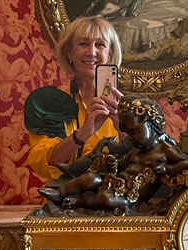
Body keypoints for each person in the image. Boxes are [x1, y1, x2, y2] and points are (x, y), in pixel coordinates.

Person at [25, 16, 123, 180]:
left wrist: (123, 126)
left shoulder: (128, 106)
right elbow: (43, 163)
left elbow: (142, 163)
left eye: (100, 44)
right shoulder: (48, 103)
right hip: (63, 201)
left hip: (115, 200)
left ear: (109, 53)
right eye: (83, 43)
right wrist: (83, 133)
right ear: (69, 52)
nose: (91, 52)